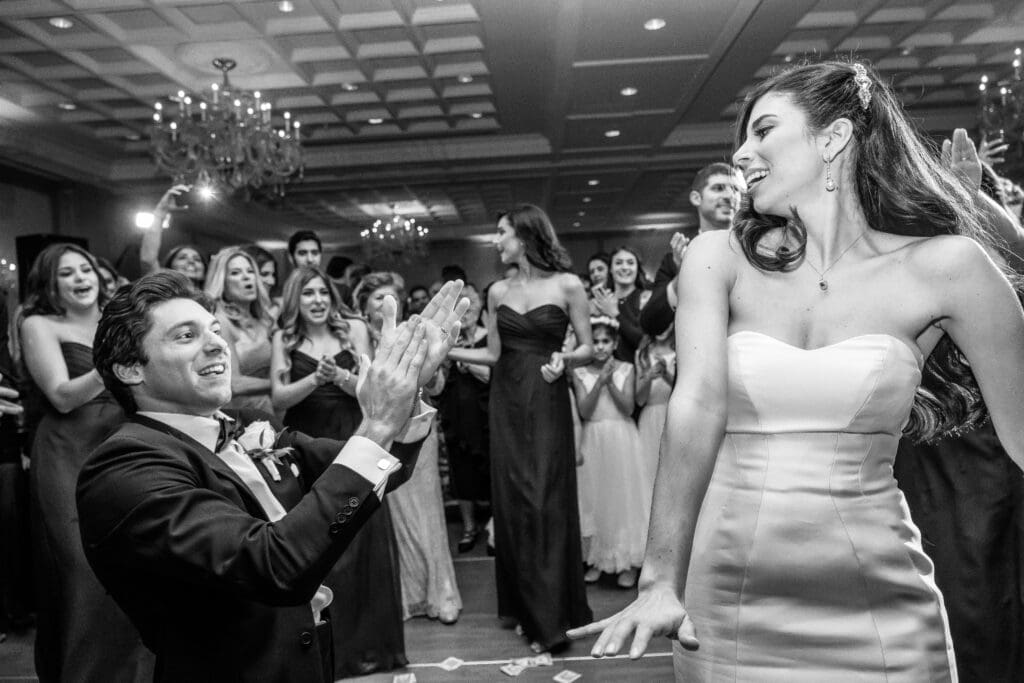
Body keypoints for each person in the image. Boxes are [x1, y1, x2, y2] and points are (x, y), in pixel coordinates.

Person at [568, 60, 1024, 681]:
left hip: (879, 604)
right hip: (724, 604)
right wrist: (659, 580)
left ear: (833, 137)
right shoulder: (715, 259)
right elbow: (696, 408)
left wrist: (979, 209)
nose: (742, 154)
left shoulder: (947, 268)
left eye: (763, 131)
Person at [77, 271, 467, 682]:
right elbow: (272, 565)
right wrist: (376, 425)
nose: (217, 344)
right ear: (129, 370)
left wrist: (405, 397)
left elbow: (374, 470)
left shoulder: (247, 423)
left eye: (213, 330)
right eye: (185, 336)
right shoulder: (124, 468)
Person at [448, 204, 594, 653]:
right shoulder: (496, 292)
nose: (496, 241)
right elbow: (492, 355)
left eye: (502, 233)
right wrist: (447, 352)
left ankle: (554, 613)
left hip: (547, 400)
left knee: (544, 503)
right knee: (515, 505)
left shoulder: (568, 285)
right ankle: (530, 610)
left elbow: (588, 348)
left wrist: (564, 359)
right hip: (506, 404)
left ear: (526, 236)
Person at [19, 243, 154, 682]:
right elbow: (60, 396)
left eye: (85, 269)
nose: (80, 278)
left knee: (132, 560)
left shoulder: (118, 320)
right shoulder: (39, 324)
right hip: (66, 448)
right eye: (66, 274)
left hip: (122, 441)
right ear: (49, 285)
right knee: (81, 568)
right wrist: (109, 361)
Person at [270, 267, 404, 677]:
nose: (317, 300)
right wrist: (314, 377)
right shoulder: (284, 339)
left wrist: (341, 376)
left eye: (323, 292)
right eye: (307, 293)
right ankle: (329, 647)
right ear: (296, 299)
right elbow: (278, 399)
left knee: (362, 538)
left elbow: (371, 390)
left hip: (350, 433)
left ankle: (370, 647)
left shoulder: (355, 330)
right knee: (321, 539)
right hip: (307, 442)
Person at [356, 272, 463, 625]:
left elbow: (439, 384)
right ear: (365, 306)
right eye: (377, 299)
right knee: (392, 513)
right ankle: (407, 594)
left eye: (391, 297)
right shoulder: (356, 340)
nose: (387, 304)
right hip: (376, 430)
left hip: (418, 428)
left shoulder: (413, 333)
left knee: (427, 508)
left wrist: (427, 368)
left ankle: (439, 592)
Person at [570, 316, 648, 589]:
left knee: (622, 498)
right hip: (594, 438)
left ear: (615, 343)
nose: (601, 347)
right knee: (595, 498)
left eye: (606, 341)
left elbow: (628, 408)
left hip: (622, 438)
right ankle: (596, 560)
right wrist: (598, 382)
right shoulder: (579, 373)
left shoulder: (626, 368)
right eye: (596, 342)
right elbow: (584, 411)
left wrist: (609, 381)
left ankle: (627, 562)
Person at [640, 162, 742, 337]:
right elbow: (650, 324)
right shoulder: (674, 259)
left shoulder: (754, 251)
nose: (729, 196)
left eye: (736, 189)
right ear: (696, 198)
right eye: (718, 188)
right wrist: (685, 275)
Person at [439, 284, 491, 553]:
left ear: (480, 307)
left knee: (490, 468)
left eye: (470, 306)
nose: (466, 313)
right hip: (456, 415)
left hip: (485, 415)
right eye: (460, 308)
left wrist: (466, 360)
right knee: (462, 471)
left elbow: (490, 375)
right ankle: (469, 527)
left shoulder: (489, 337)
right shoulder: (448, 338)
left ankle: (494, 527)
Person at [205, 247, 275, 413]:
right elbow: (232, 383)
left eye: (250, 271)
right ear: (222, 282)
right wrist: (282, 385)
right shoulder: (220, 322)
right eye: (235, 273)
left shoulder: (264, 320)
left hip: (270, 409)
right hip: (240, 414)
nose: (246, 277)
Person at [139, 183, 208, 288]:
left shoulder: (213, 298)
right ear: (169, 268)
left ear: (204, 272)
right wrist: (160, 211)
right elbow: (148, 260)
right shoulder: (162, 290)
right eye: (182, 258)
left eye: (197, 259)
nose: (191, 261)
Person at [634, 324, 676, 496]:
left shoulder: (679, 352)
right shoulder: (642, 354)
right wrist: (648, 378)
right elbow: (639, 399)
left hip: (672, 415)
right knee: (648, 468)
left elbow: (681, 391)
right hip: (649, 417)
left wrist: (666, 374)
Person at [591, 246, 648, 362]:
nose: (624, 267)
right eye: (618, 263)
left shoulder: (646, 297)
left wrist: (615, 314)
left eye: (630, 263)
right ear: (610, 269)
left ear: (637, 268)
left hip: (638, 372)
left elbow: (643, 342)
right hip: (606, 373)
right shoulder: (602, 300)